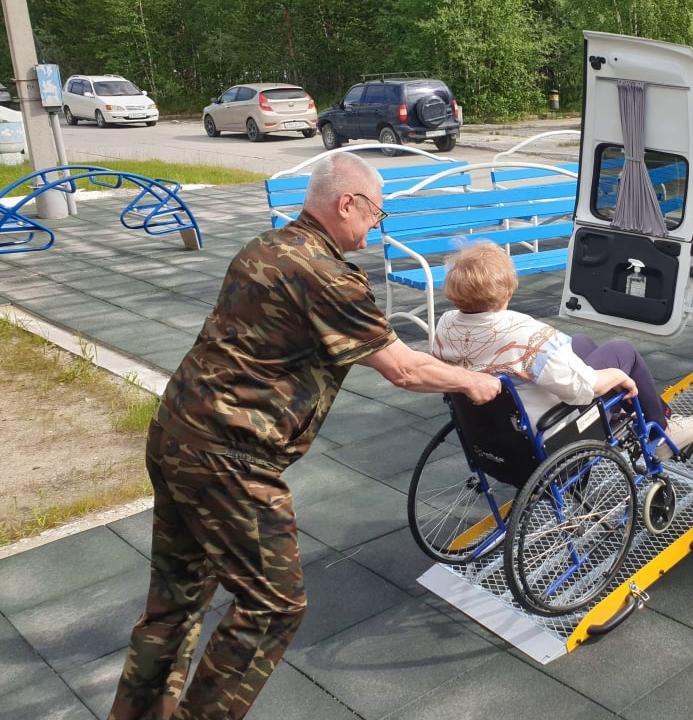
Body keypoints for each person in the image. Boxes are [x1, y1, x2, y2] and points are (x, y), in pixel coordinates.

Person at [108, 153, 500, 720]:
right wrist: (475, 382)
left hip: (175, 433)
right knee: (274, 605)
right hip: (230, 457)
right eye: (375, 214)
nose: (375, 227)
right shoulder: (327, 276)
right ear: (347, 203)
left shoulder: (265, 246)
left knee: (176, 601)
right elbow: (403, 369)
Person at [432, 241, 693, 459]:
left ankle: (641, 416)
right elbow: (582, 388)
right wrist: (616, 375)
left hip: (495, 429)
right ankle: (662, 435)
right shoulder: (526, 335)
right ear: (506, 290)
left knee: (581, 343)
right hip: (549, 431)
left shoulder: (446, 324)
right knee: (623, 352)